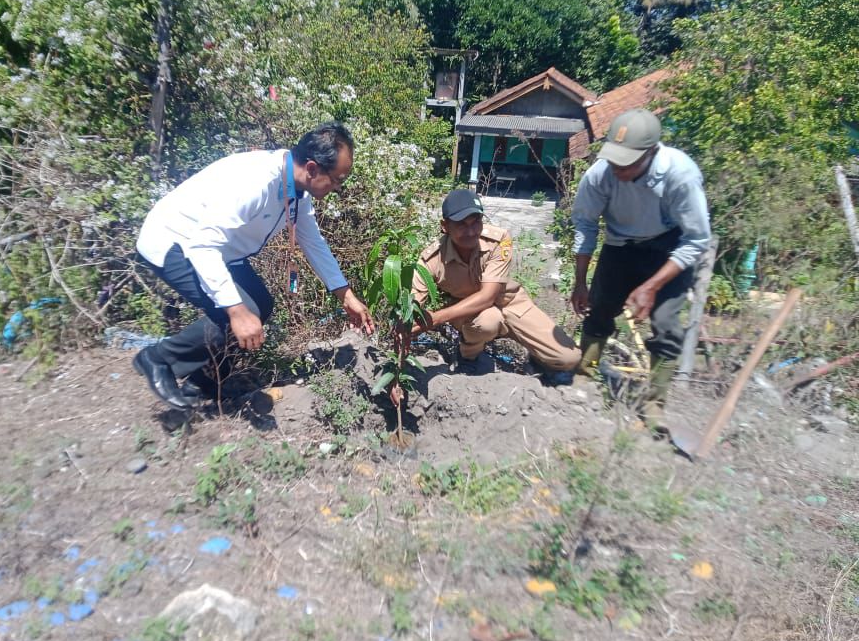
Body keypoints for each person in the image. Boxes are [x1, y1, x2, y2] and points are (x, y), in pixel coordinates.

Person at [133, 122, 375, 408]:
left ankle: (206, 382)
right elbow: (203, 244)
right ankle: (158, 358)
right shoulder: (256, 182)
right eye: (337, 179)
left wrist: (346, 297)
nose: (337, 188)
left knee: (260, 303)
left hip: (219, 250)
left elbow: (314, 244)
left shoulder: (297, 191)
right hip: (176, 242)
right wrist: (235, 311)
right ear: (312, 169)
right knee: (236, 312)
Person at [571, 108, 712, 429]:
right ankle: (585, 373)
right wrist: (580, 281)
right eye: (614, 159)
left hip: (669, 249)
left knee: (666, 324)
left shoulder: (681, 175)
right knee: (600, 308)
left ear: (651, 152)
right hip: (620, 246)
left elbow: (696, 239)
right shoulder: (599, 175)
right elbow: (585, 224)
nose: (618, 167)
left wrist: (651, 286)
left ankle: (654, 402)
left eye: (628, 161)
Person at [409, 189, 581, 375]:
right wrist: (409, 325)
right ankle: (468, 356)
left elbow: (488, 296)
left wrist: (436, 318)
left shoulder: (498, 240)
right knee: (488, 322)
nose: (471, 231)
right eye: (462, 225)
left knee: (569, 358)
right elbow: (412, 305)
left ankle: (538, 357)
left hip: (510, 303)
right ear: (445, 226)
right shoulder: (431, 259)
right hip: (472, 316)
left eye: (476, 222)